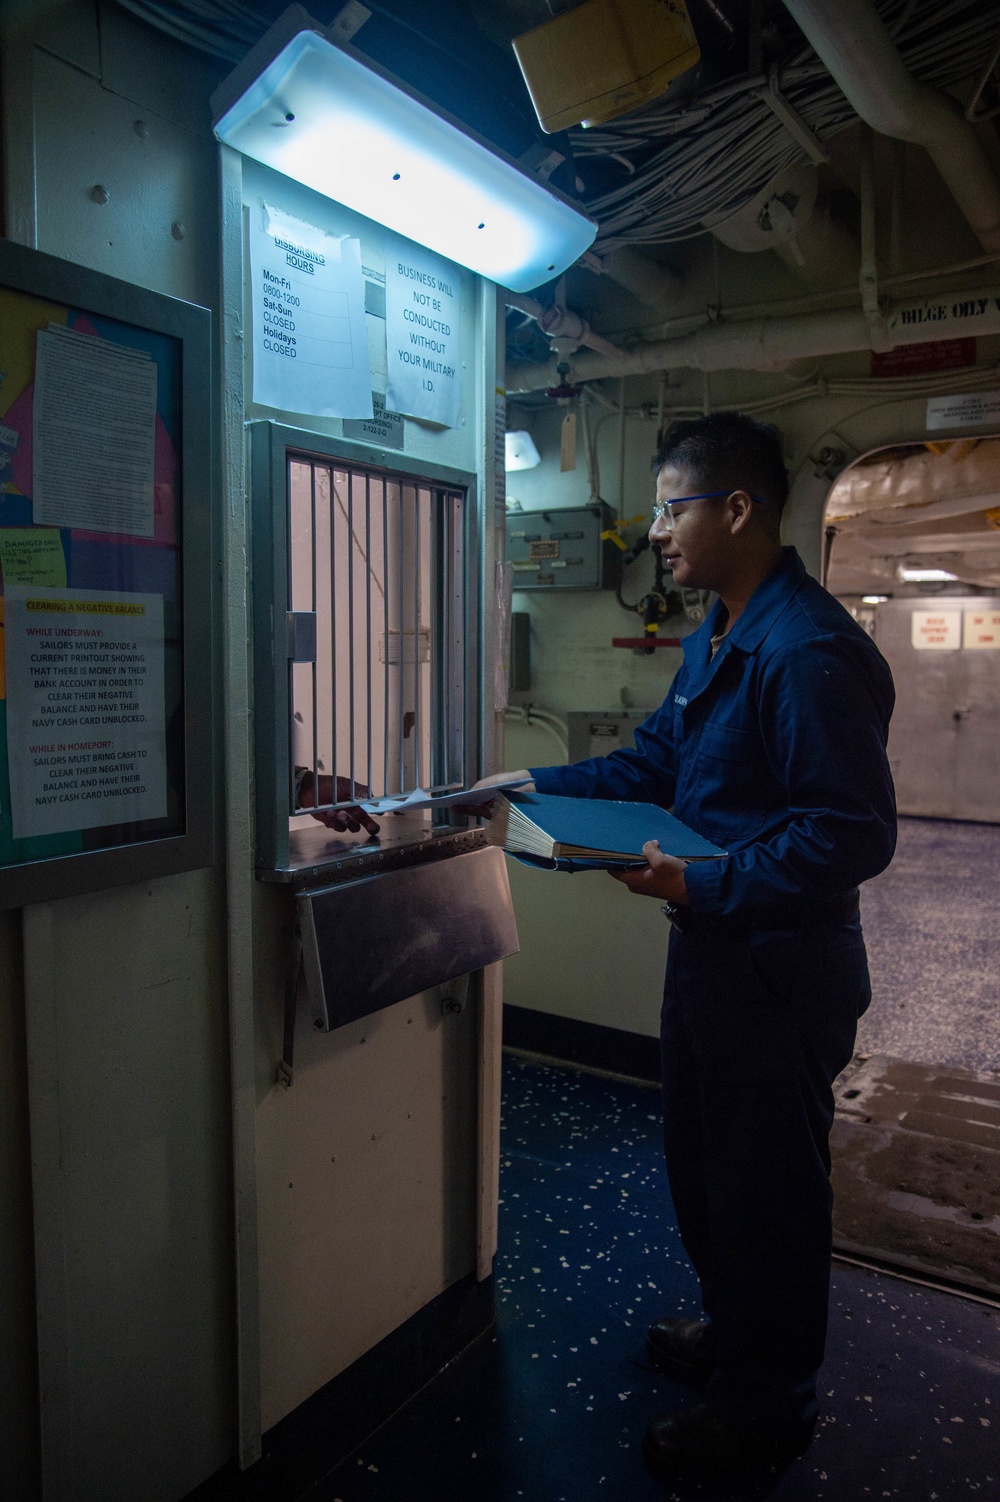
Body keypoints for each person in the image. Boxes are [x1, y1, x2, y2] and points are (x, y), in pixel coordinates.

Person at [475, 412, 896, 1484]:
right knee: (706, 1169)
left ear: (736, 508)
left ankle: (766, 1405)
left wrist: (702, 880)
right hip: (712, 950)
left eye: (669, 506)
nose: (654, 530)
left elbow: (848, 832)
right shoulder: (720, 629)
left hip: (780, 964)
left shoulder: (804, 649)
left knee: (769, 1193)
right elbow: (656, 759)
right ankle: (734, 1331)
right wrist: (522, 784)